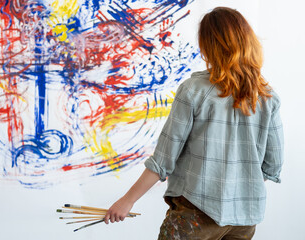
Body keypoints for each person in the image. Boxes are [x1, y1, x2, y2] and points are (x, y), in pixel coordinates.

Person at [104, 6, 284, 240]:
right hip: (245, 220)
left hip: (196, 217)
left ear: (208, 46)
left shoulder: (194, 92)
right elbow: (273, 165)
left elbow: (162, 160)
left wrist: (127, 201)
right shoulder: (267, 96)